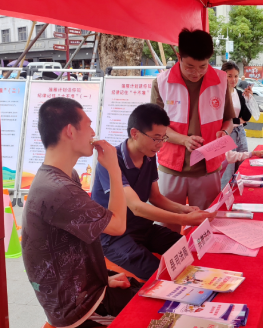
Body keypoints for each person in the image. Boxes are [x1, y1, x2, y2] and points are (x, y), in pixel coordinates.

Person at [22, 97, 141, 328]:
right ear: (70, 131)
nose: (93, 132)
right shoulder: (58, 189)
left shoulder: (61, 177)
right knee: (155, 311)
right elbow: (118, 226)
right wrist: (114, 170)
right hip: (77, 307)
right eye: (88, 125)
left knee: (144, 289)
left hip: (82, 289)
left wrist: (103, 278)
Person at [91, 103, 215, 281]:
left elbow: (156, 197)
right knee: (160, 273)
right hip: (114, 237)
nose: (160, 145)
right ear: (135, 133)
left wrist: (185, 209)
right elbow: (136, 207)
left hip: (143, 228)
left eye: (163, 138)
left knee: (189, 247)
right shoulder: (110, 160)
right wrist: (184, 220)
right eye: (156, 138)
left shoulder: (149, 156)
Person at [151, 28, 235, 231]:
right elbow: (155, 127)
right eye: (189, 67)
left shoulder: (221, 81)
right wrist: (184, 140)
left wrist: (225, 132)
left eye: (202, 66)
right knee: (167, 228)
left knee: (206, 227)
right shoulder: (161, 82)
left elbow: (229, 120)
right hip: (171, 167)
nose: (196, 73)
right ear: (179, 56)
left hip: (208, 168)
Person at [220, 61, 254, 189]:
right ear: (222, 75)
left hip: (240, 132)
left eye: (236, 76)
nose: (233, 79)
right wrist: (237, 121)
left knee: (242, 166)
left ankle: (239, 195)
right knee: (227, 171)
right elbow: (221, 119)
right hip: (227, 134)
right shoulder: (219, 94)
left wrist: (248, 98)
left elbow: (246, 117)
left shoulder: (239, 93)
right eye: (229, 76)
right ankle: (224, 196)